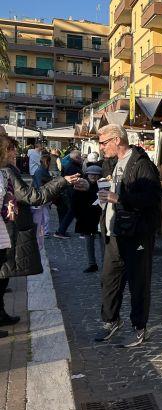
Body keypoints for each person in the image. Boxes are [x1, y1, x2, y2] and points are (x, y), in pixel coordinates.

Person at [0, 136, 84, 337]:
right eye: (10, 149)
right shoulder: (6, 173)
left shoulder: (8, 171)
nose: (15, 153)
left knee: (3, 275)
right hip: (6, 229)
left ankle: (0, 313)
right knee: (1, 274)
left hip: (7, 229)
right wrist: (62, 181)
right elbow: (33, 196)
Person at [94, 124, 162, 348]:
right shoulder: (112, 163)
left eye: (103, 143)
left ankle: (139, 328)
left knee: (138, 282)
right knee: (109, 279)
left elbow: (151, 198)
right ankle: (111, 321)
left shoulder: (143, 165)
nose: (101, 147)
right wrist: (90, 188)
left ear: (116, 140)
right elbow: (109, 191)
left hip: (137, 233)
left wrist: (119, 197)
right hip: (115, 232)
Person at [73, 163, 104, 273]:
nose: (94, 177)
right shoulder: (81, 185)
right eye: (92, 175)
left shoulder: (103, 186)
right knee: (89, 242)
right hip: (86, 217)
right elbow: (75, 202)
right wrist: (78, 216)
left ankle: (105, 264)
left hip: (99, 217)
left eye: (96, 176)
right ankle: (92, 263)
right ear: (87, 175)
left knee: (103, 241)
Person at [53, 149, 83, 238]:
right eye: (80, 157)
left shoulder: (67, 164)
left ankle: (61, 230)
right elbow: (76, 180)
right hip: (71, 192)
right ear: (77, 158)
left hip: (65, 191)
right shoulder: (73, 167)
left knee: (65, 211)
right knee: (72, 211)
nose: (81, 158)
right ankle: (61, 231)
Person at [30, 153, 54, 248]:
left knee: (44, 215)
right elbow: (40, 185)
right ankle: (44, 232)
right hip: (42, 195)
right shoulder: (41, 171)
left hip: (42, 195)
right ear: (47, 162)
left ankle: (44, 232)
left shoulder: (41, 170)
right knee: (44, 215)